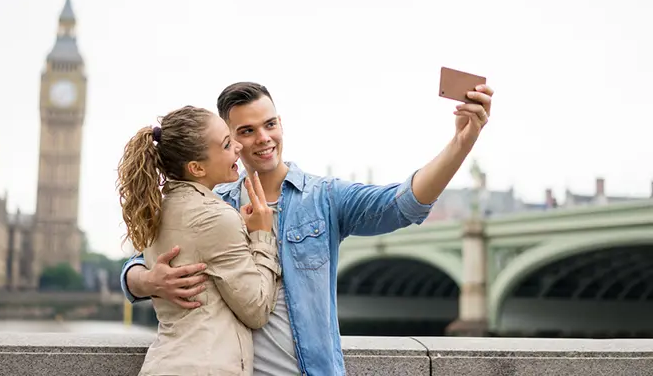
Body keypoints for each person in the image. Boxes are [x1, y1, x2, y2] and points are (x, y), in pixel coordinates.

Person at [120, 82, 495, 376]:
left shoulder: (324, 198)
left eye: (270, 124)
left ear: (281, 124)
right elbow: (142, 261)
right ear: (230, 141)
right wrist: (145, 281)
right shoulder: (214, 206)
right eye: (246, 131)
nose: (264, 138)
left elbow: (402, 204)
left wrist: (462, 144)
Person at [117, 105, 281, 375]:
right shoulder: (215, 217)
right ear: (196, 168)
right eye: (227, 144)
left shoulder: (155, 210)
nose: (238, 147)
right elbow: (257, 310)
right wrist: (261, 235)